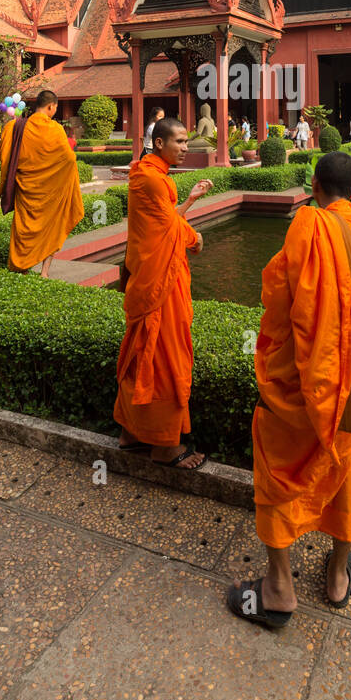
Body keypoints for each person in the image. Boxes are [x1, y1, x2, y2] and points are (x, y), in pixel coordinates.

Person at [228, 151, 351, 627]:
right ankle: (338, 575)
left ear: (315, 188)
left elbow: (278, 297)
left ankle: (279, 589)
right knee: (344, 469)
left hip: (299, 387)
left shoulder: (306, 226)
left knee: (278, 472)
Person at [114, 118, 213, 468]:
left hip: (151, 276)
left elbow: (164, 220)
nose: (187, 147)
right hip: (160, 285)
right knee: (166, 356)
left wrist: (189, 201)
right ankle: (164, 446)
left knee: (144, 353)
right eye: (181, 142)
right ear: (159, 144)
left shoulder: (153, 176)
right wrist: (196, 239)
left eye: (187, 142)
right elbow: (171, 228)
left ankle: (130, 433)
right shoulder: (153, 180)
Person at [0, 88, 84, 279]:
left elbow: (3, 155)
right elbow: (68, 159)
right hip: (49, 193)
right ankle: (44, 272)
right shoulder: (55, 129)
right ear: (51, 107)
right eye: (55, 109)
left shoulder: (15, 127)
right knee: (53, 228)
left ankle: (22, 268)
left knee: (22, 229)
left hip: (25, 190)